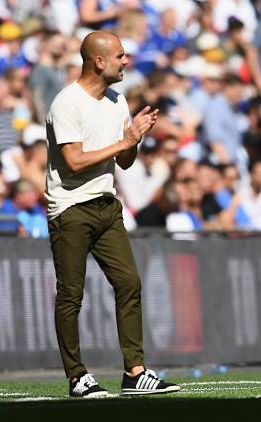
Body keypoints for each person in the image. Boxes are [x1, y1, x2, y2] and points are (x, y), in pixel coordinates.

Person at [45, 31, 180, 397]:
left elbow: (124, 160)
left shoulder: (117, 100)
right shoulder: (66, 103)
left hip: (107, 206)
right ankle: (77, 377)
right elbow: (73, 162)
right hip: (70, 209)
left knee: (129, 283)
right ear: (99, 61)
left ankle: (135, 372)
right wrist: (123, 141)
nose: (126, 61)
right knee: (71, 294)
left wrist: (134, 138)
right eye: (120, 55)